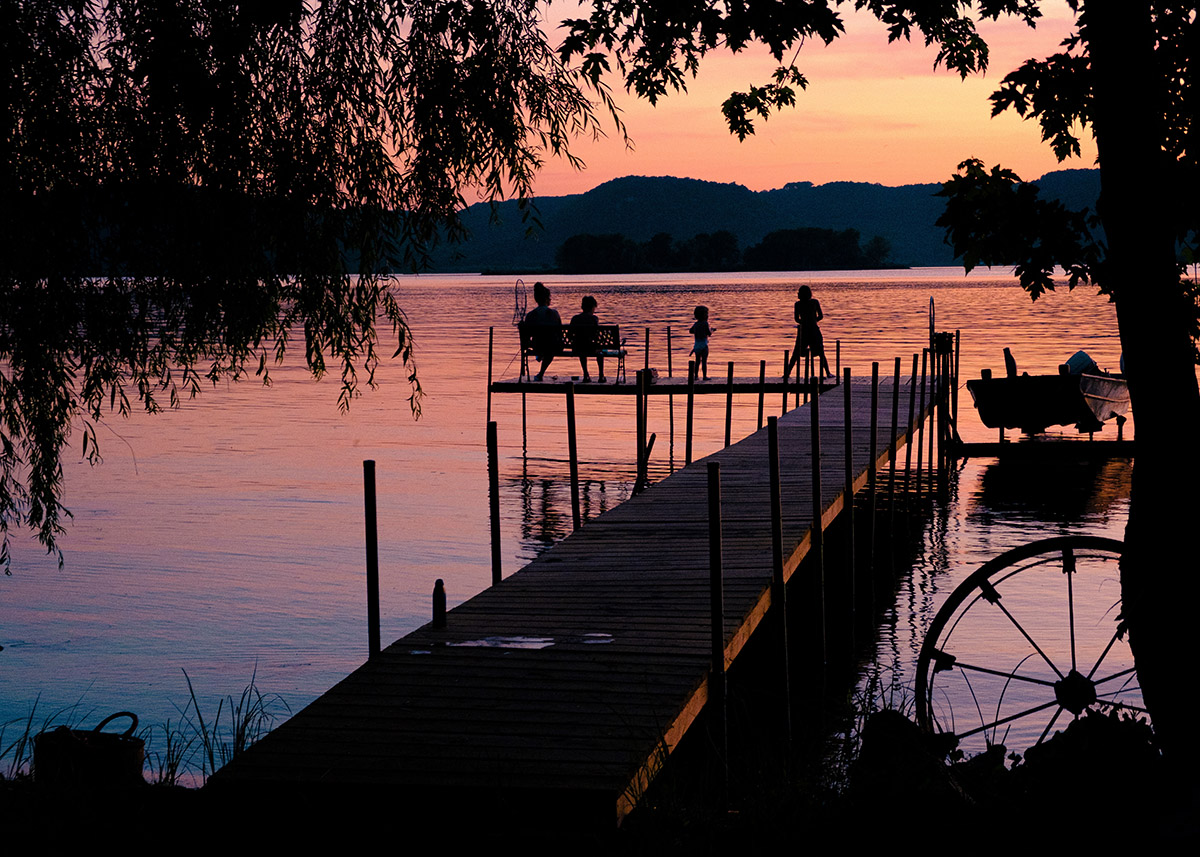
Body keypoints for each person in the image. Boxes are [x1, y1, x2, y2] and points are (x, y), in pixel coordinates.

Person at [785, 285, 832, 380]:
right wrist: (813, 321)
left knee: (817, 351)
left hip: (808, 330)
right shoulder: (806, 303)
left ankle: (827, 372)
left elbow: (797, 319)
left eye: (799, 292)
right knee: (801, 352)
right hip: (810, 330)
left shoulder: (804, 303)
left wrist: (807, 322)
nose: (797, 294)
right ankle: (828, 373)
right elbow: (820, 316)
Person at [524, 282, 561, 381]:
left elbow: (526, 336)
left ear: (536, 299)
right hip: (551, 346)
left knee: (544, 344)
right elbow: (559, 331)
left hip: (537, 345)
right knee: (550, 348)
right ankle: (540, 373)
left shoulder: (531, 315)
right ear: (547, 299)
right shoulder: (554, 313)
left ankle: (540, 357)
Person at [569, 295, 605, 382]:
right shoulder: (594, 319)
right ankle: (601, 375)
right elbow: (596, 335)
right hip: (590, 347)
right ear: (593, 307)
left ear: (582, 307)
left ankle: (586, 374)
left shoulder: (575, 318)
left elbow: (570, 335)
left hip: (577, 348)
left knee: (582, 350)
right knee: (600, 352)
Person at [689, 305, 713, 380]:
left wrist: (698, 331)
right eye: (707, 314)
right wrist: (712, 330)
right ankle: (704, 376)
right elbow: (709, 333)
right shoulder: (705, 323)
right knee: (704, 361)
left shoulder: (696, 324)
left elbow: (691, 331)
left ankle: (696, 376)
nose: (708, 315)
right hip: (704, 345)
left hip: (697, 346)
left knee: (697, 361)